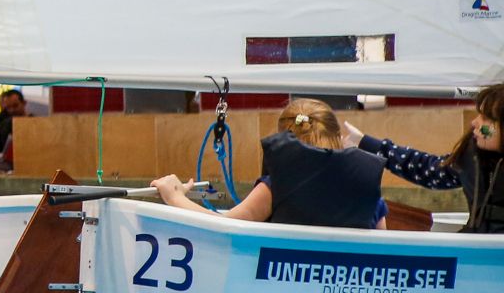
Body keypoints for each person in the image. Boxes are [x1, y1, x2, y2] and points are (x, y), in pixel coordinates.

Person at [152, 98, 387, 229]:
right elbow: (384, 247)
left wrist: (175, 197)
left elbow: (226, 226)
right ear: (338, 137)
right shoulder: (367, 190)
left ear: (285, 139)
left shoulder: (276, 187)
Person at [355, 84, 504, 234]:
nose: (475, 123)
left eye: (486, 118)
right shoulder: (471, 155)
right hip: (474, 248)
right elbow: (429, 169)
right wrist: (371, 146)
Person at [0, 89, 26, 167]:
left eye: (15, 105)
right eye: (8, 108)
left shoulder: (35, 123)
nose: (12, 110)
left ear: (24, 103)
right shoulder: (3, 125)